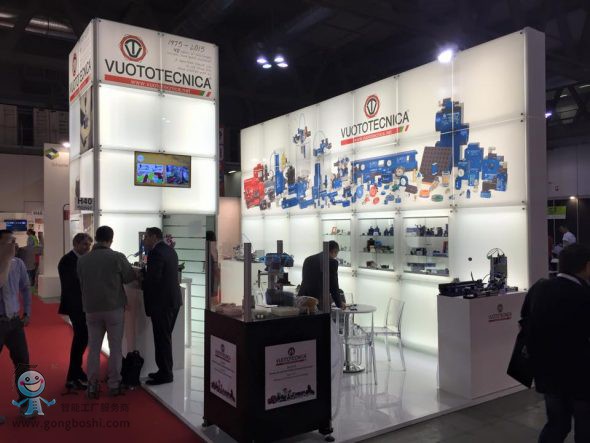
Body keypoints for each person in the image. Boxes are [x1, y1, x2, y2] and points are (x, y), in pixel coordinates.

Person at [521, 244, 590, 442]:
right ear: (586, 266)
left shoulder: (539, 288)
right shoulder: (584, 295)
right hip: (581, 377)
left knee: (557, 425)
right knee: (585, 427)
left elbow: (524, 323)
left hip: (547, 374)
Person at [77, 226, 136, 398]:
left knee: (94, 348)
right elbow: (129, 277)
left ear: (96, 238)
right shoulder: (117, 257)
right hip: (113, 308)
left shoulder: (82, 260)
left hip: (91, 309)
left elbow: (81, 280)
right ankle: (114, 384)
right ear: (111, 239)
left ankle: (92, 386)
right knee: (115, 348)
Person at [141, 227, 182, 385]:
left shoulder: (156, 253)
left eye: (146, 237)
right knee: (164, 338)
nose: (144, 240)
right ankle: (163, 370)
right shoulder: (170, 250)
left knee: (162, 339)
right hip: (172, 301)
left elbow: (154, 279)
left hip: (162, 303)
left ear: (153, 237)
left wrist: (142, 279)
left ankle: (165, 373)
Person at [0, 230, 31, 416]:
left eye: (14, 241)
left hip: (14, 322)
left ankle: (26, 403)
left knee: (23, 362)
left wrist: (27, 312)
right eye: (9, 242)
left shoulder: (18, 264)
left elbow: (25, 289)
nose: (14, 245)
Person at [58, 233, 93, 390]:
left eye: (89, 245)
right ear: (76, 244)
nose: (88, 248)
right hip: (76, 306)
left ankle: (76, 372)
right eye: (85, 244)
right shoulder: (67, 261)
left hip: (83, 305)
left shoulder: (83, 260)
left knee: (82, 338)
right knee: (81, 338)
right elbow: (72, 285)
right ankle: (73, 375)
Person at [299, 240, 345, 308]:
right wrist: (339, 304)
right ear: (334, 251)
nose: (335, 256)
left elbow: (305, 279)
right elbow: (334, 285)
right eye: (336, 254)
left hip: (304, 298)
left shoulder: (308, 259)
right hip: (320, 301)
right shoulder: (332, 262)